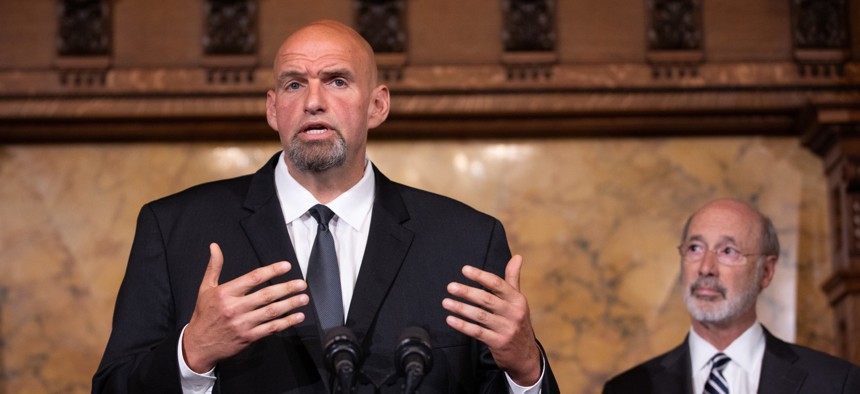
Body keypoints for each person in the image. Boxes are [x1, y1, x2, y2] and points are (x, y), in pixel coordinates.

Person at [92, 20, 559, 394]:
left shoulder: (466, 240)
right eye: (294, 85)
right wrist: (191, 354)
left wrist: (526, 370)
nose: (314, 101)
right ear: (274, 109)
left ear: (377, 105)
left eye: (337, 80)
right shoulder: (175, 228)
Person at [603, 198, 860, 394]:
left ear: (766, 272)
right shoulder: (628, 389)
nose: (706, 267)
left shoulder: (835, 384)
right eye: (695, 248)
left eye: (728, 251)